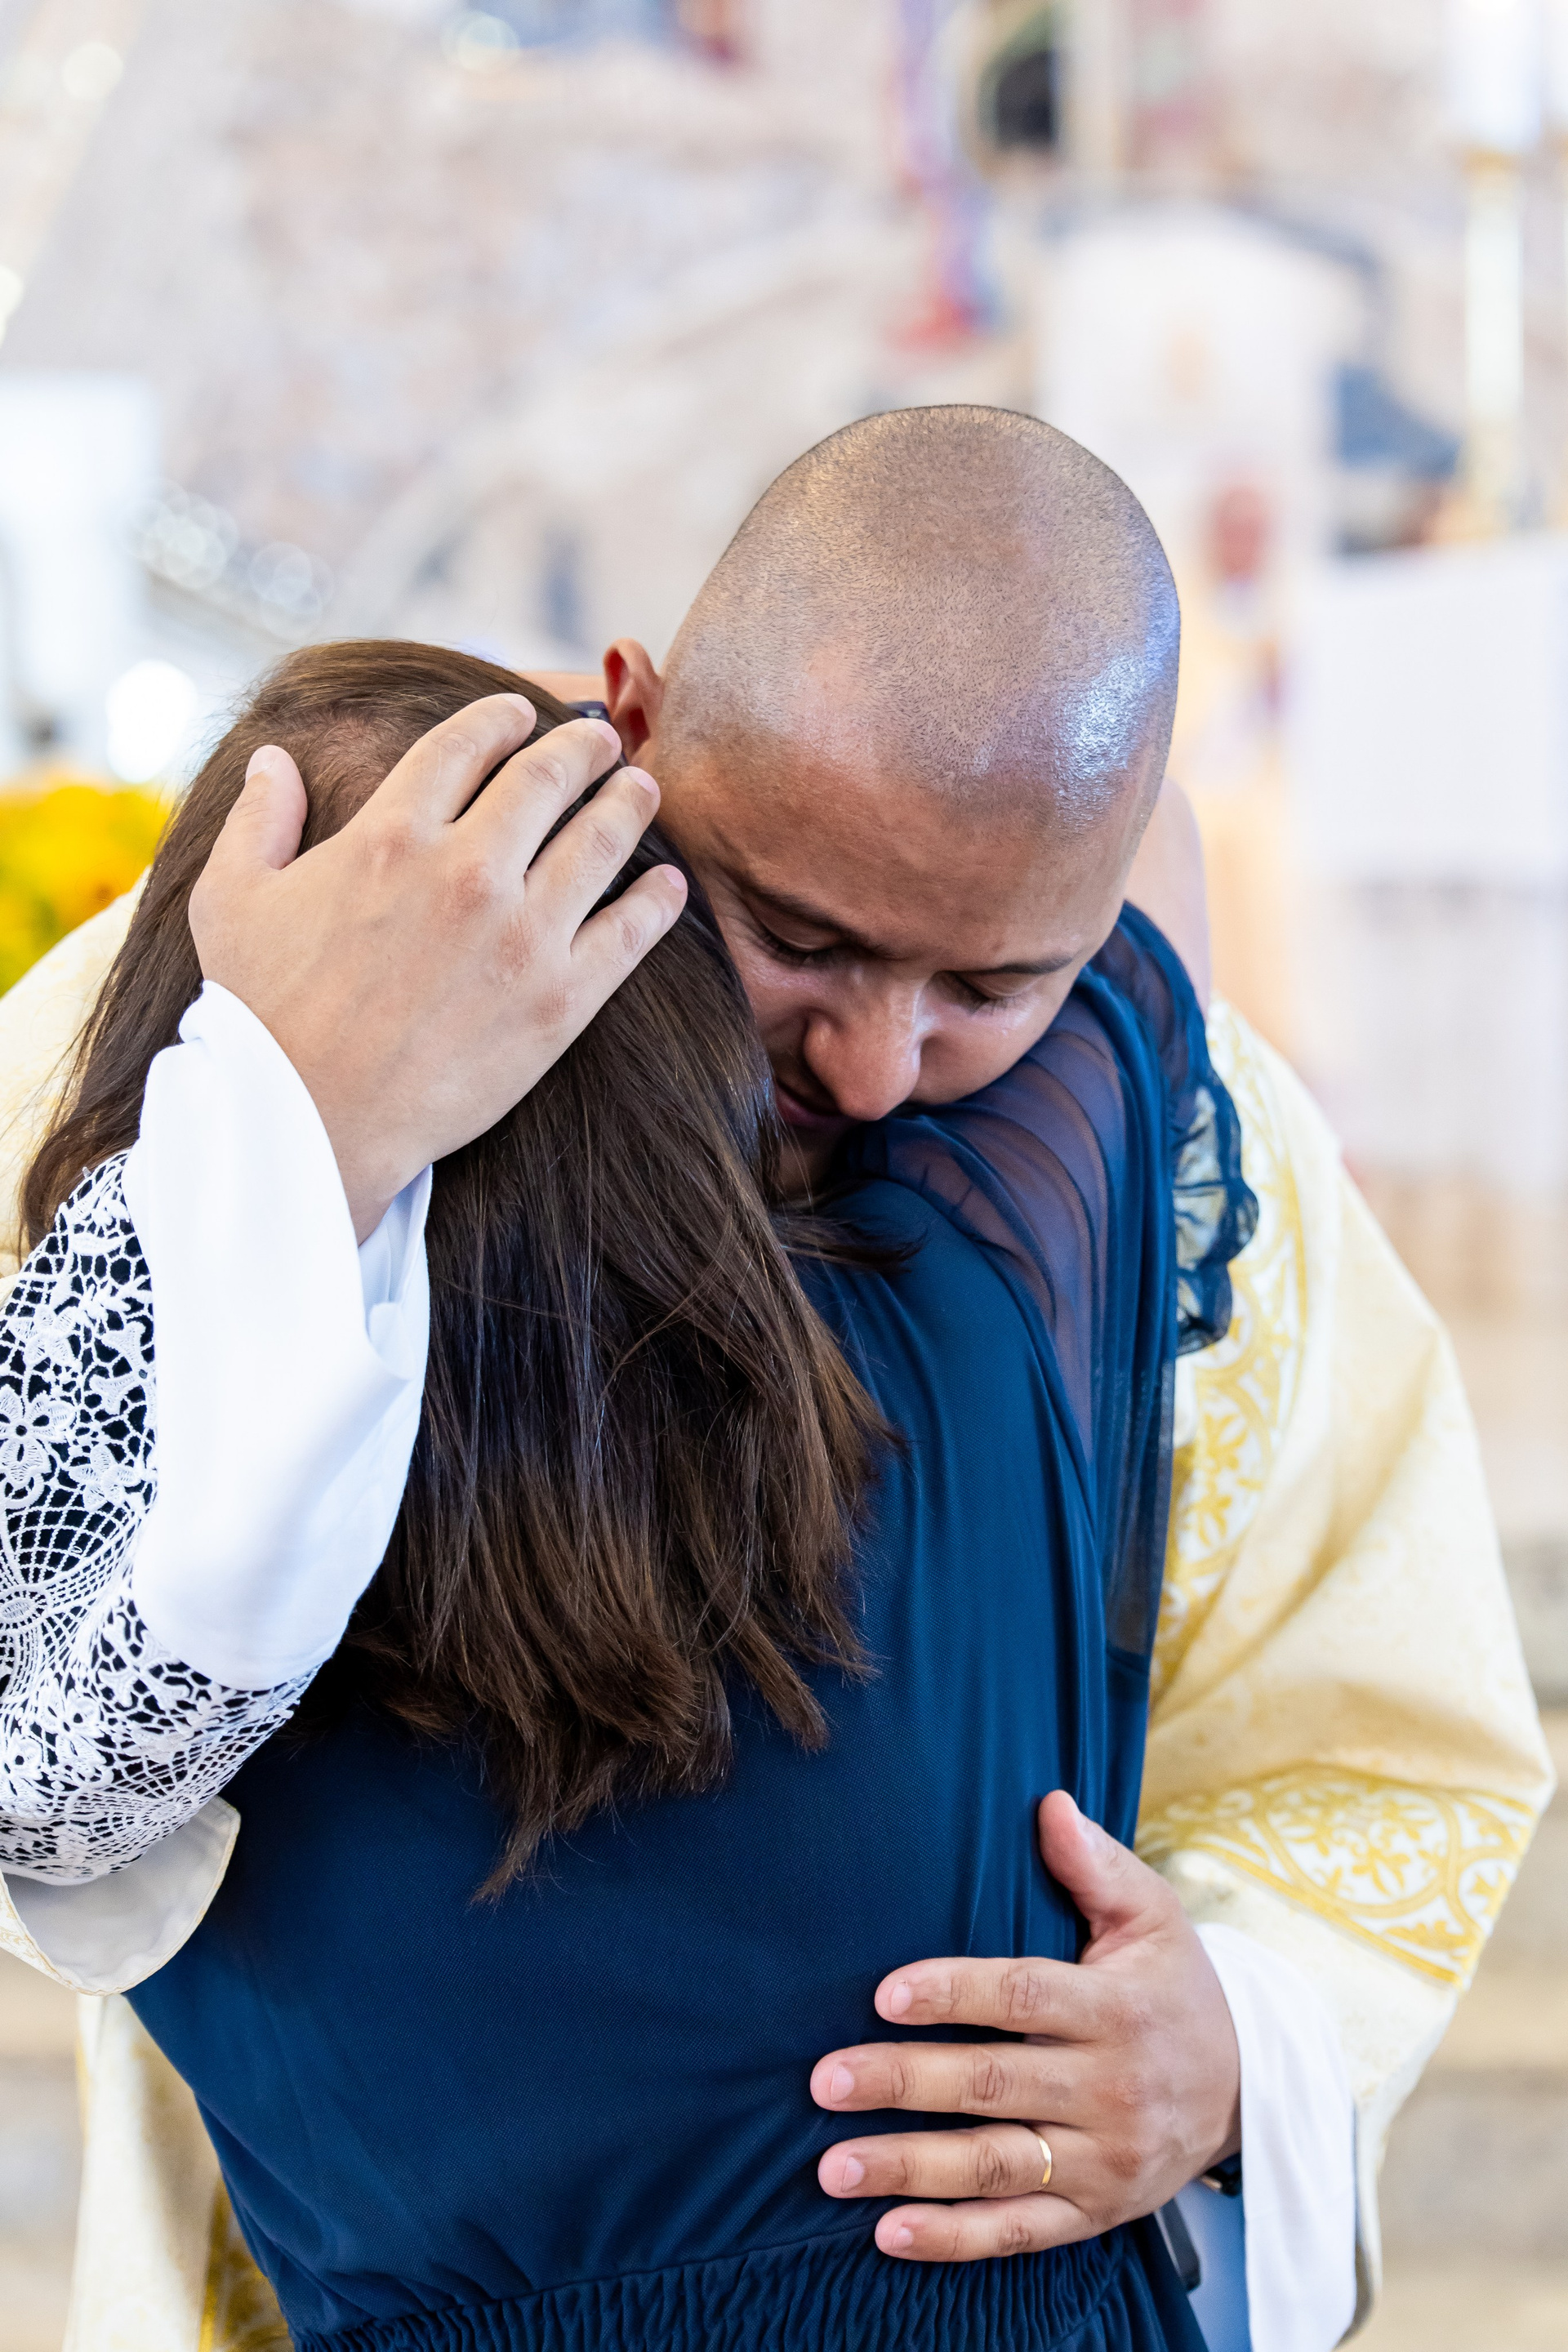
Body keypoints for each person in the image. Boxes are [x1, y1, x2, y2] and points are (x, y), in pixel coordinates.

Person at [0, 408, 1550, 2352]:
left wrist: (1236, 2046)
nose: (877, 1065)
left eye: (990, 986)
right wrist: (303, 1149)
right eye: (800, 937)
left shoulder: (1183, 1148)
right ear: (639, 722)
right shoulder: (264, 1020)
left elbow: (1374, 1743)